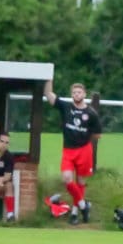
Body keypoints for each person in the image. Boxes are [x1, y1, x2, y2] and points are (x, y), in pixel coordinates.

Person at [44, 78, 102, 225]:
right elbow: (49, 95)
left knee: (81, 182)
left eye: (79, 92)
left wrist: (84, 139)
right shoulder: (66, 107)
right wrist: (49, 78)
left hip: (84, 150)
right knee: (67, 179)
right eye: (74, 92)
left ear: (84, 94)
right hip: (68, 150)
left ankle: (75, 214)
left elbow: (97, 134)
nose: (76, 94)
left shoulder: (91, 113)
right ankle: (83, 206)